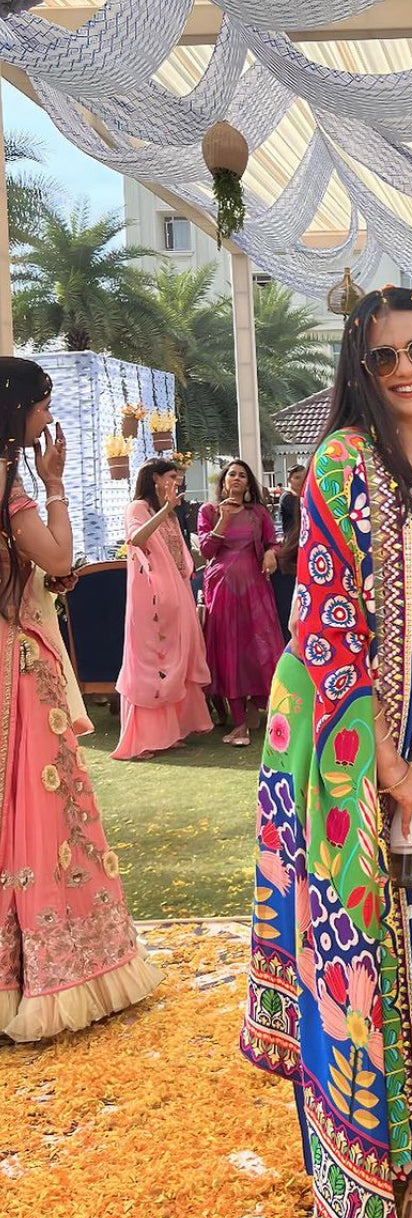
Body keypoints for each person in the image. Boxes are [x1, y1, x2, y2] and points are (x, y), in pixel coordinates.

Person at [240, 288, 412, 1218]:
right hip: (373, 726)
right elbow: (328, 619)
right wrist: (388, 763)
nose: (405, 368)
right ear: (360, 368)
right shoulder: (347, 461)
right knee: (391, 947)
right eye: (383, 356)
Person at [0, 357, 161, 1041]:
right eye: (42, 404)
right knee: (42, 810)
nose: (47, 416)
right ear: (16, 410)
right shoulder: (9, 486)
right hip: (15, 664)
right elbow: (62, 558)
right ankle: (52, 976)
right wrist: (56, 485)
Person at [112, 459, 212, 760]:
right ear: (155, 478)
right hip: (149, 599)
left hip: (177, 594)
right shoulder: (137, 508)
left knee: (178, 658)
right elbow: (137, 539)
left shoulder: (168, 513)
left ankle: (170, 733)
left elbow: (179, 556)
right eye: (172, 476)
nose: (177, 482)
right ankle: (142, 740)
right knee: (150, 662)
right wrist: (166, 510)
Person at [196, 459, 284, 746]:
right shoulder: (209, 511)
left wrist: (270, 552)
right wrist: (224, 519)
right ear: (223, 481)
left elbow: (273, 541)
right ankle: (239, 724)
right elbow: (207, 550)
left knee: (259, 646)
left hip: (254, 589)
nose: (236, 478)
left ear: (248, 484)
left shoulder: (258, 513)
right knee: (228, 649)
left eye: (242, 475)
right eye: (232, 474)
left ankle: (261, 706)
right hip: (222, 589)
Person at [272, 463, 306, 643]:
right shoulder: (288, 498)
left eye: (303, 477)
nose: (300, 481)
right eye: (297, 477)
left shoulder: (304, 497)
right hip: (292, 547)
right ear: (290, 480)